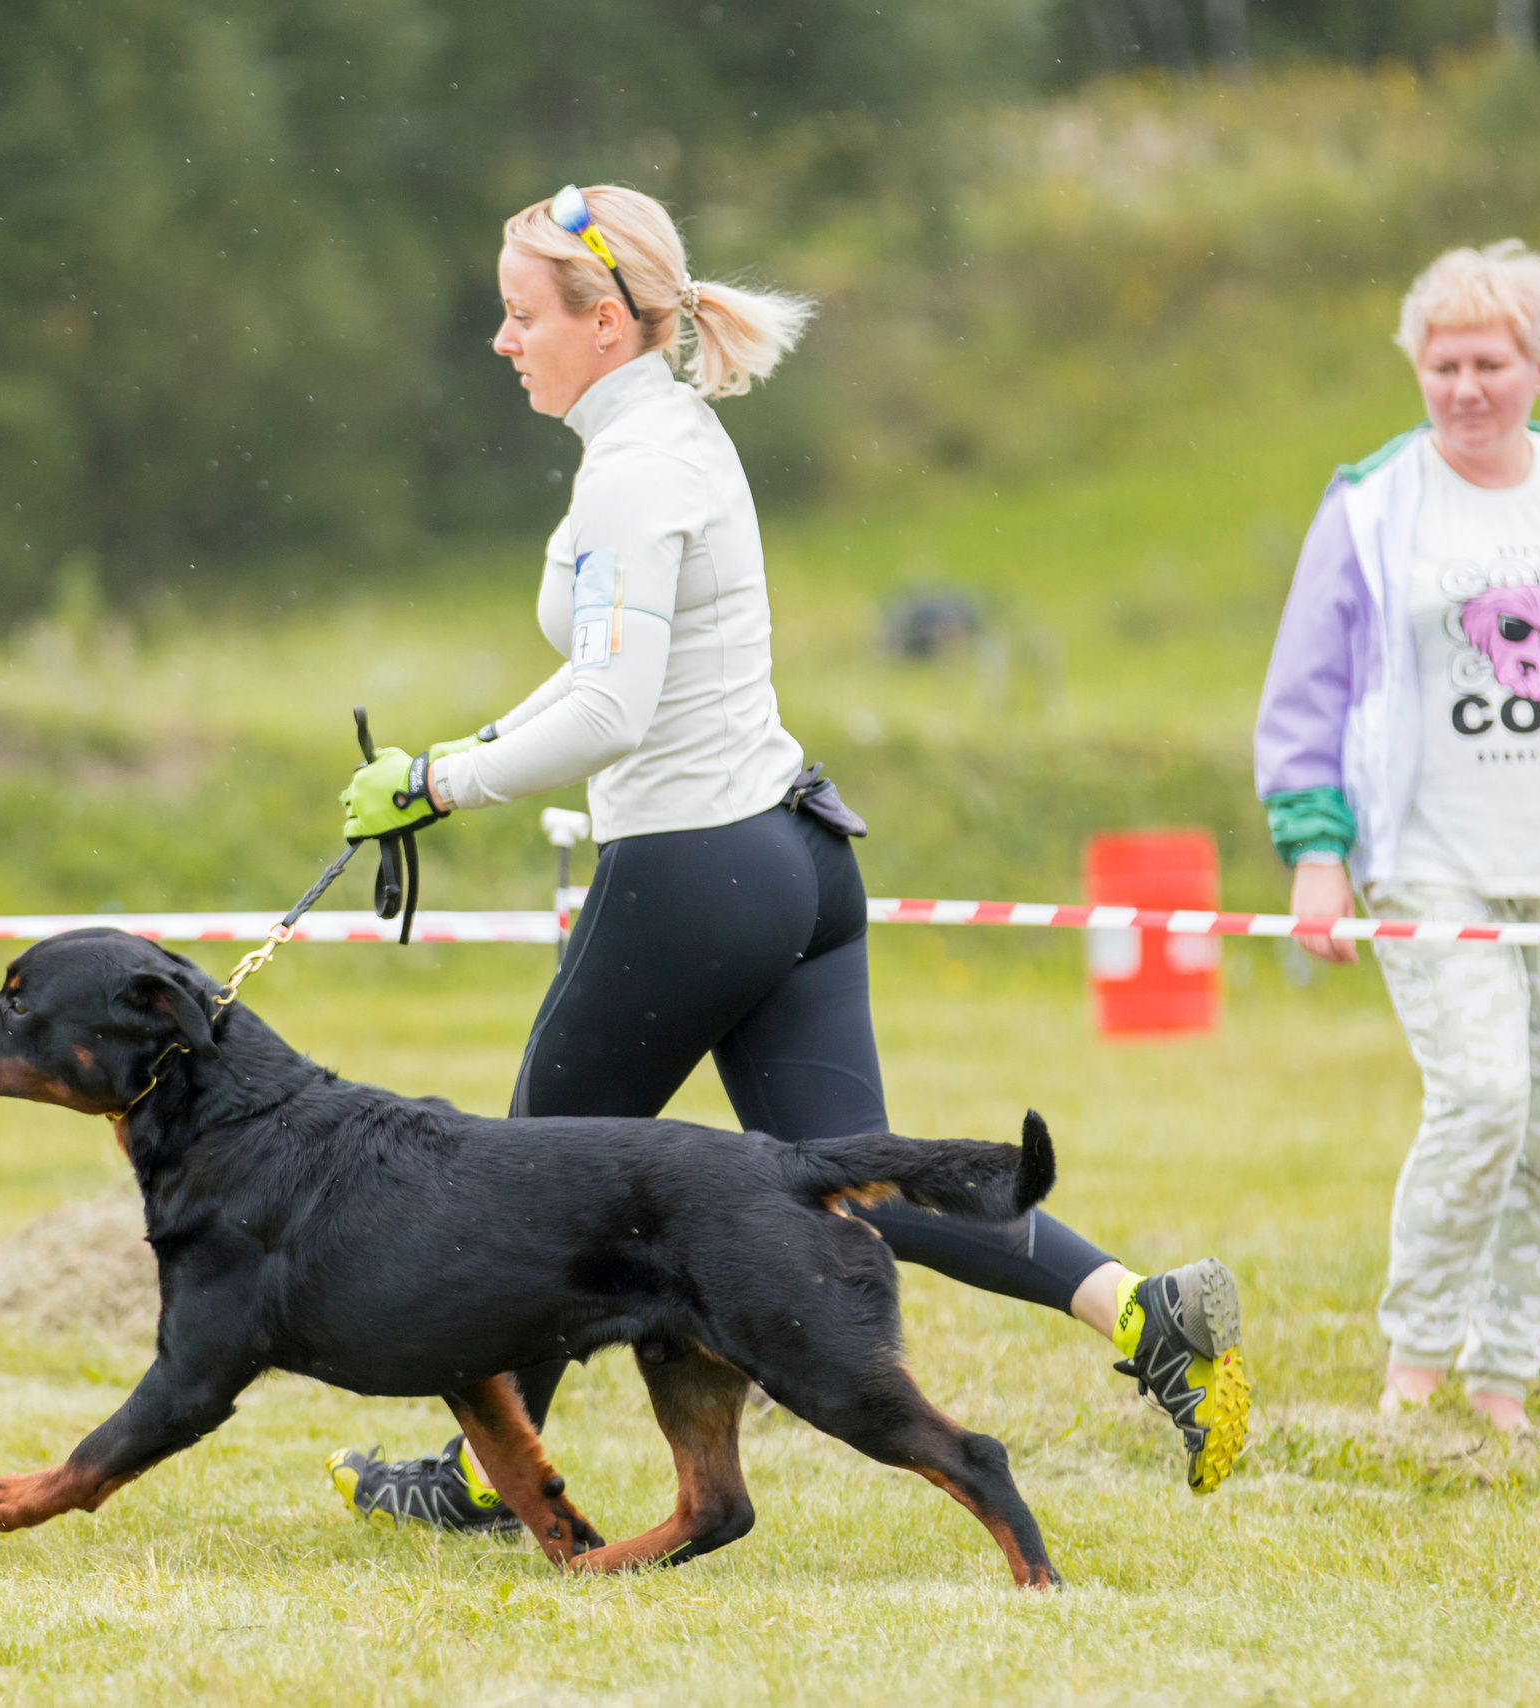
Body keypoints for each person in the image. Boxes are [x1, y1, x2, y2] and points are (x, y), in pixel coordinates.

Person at [323, 184, 1251, 1535]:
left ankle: (479, 1480)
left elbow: (610, 713)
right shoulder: (657, 437)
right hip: (790, 857)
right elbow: (592, 674)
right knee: (832, 1170)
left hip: (697, 873)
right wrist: (444, 761)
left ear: (605, 323)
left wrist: (438, 783)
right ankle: (1142, 1311)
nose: (501, 340)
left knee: (521, 1187)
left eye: (522, 316)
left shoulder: (639, 469)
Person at [1255, 241, 1540, 1434]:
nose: (1465, 387)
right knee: (1483, 1098)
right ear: (1416, 368)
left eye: (1489, 361)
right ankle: (1414, 1368)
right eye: (1442, 363)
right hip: (1434, 863)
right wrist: (1317, 851)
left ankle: (1502, 1382)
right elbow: (1307, 689)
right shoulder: (1374, 503)